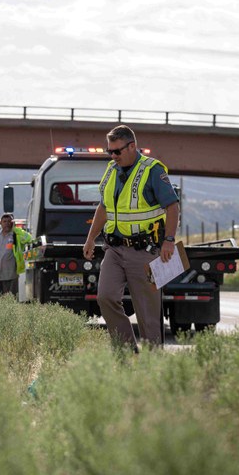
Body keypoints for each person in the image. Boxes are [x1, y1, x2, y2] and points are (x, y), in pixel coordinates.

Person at [82, 125, 180, 350]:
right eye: (110, 152)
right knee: (105, 297)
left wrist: (169, 240)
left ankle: (152, 364)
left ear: (132, 146)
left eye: (117, 151)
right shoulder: (111, 169)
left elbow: (172, 207)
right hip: (114, 249)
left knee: (147, 313)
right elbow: (104, 207)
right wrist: (90, 238)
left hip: (144, 250)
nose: (113, 156)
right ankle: (125, 350)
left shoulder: (152, 170)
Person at [0, 213, 32, 296]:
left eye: (9, 221)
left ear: (13, 223)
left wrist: (16, 229)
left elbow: (29, 238)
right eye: (4, 221)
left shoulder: (16, 236)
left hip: (11, 276)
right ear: (1, 223)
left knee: (10, 301)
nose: (7, 223)